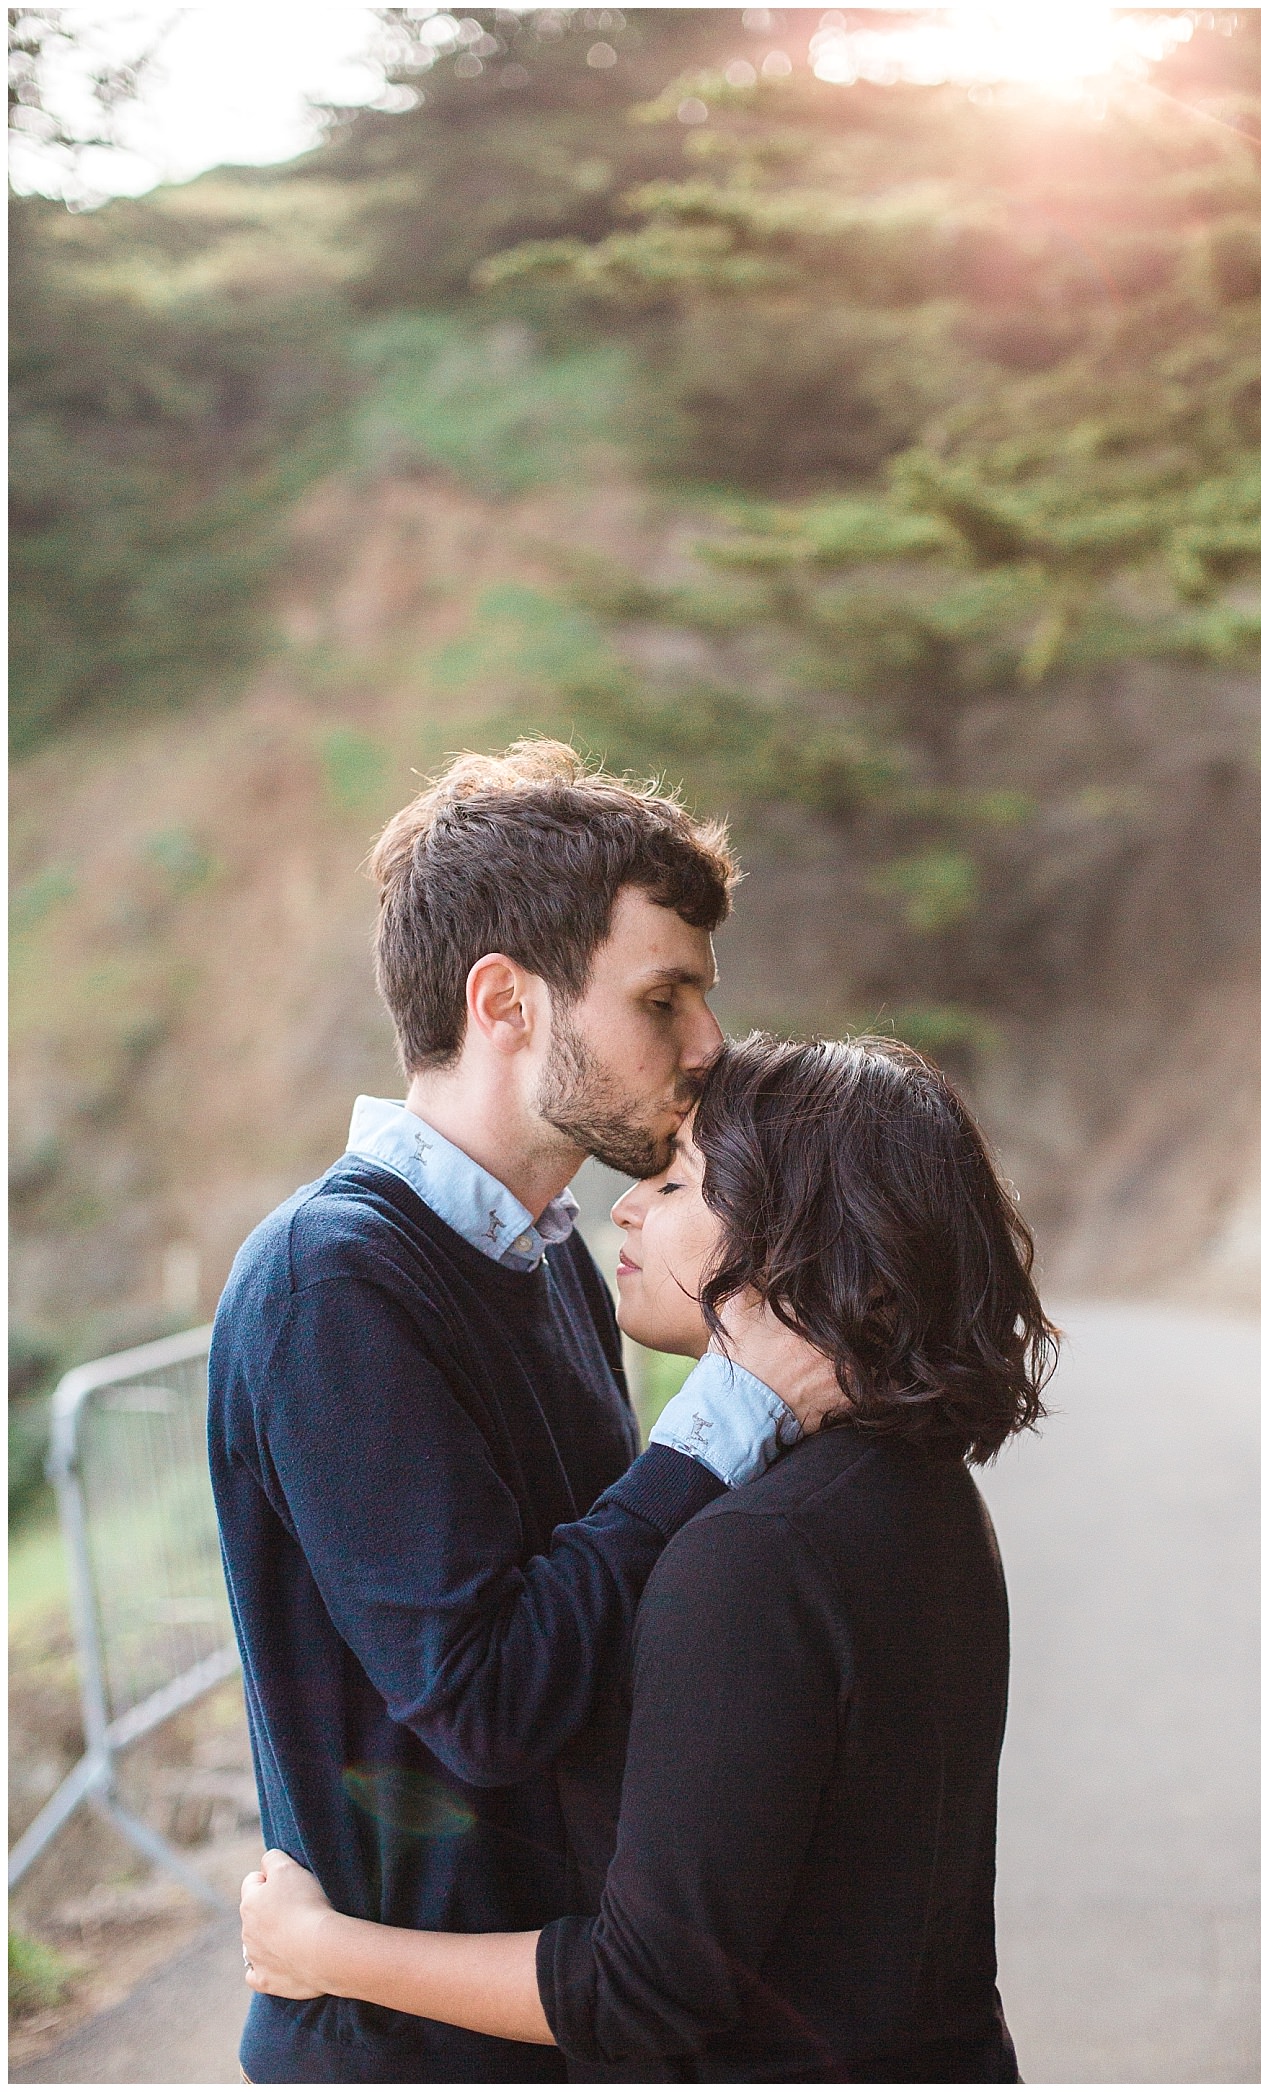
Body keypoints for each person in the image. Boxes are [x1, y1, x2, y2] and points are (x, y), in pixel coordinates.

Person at [241, 1032, 1057, 2083]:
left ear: (794, 1236)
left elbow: (646, 1990)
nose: (622, 1206)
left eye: (675, 1182)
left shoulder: (756, 1558)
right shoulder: (916, 1491)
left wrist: (325, 1951)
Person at [209, 744, 837, 2085]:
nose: (707, 1045)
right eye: (661, 999)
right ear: (504, 1000)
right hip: (405, 2050)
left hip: (563, 2012)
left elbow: (595, 1613)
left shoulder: (546, 1251)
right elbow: (491, 1700)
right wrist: (727, 1414)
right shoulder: (330, 1279)